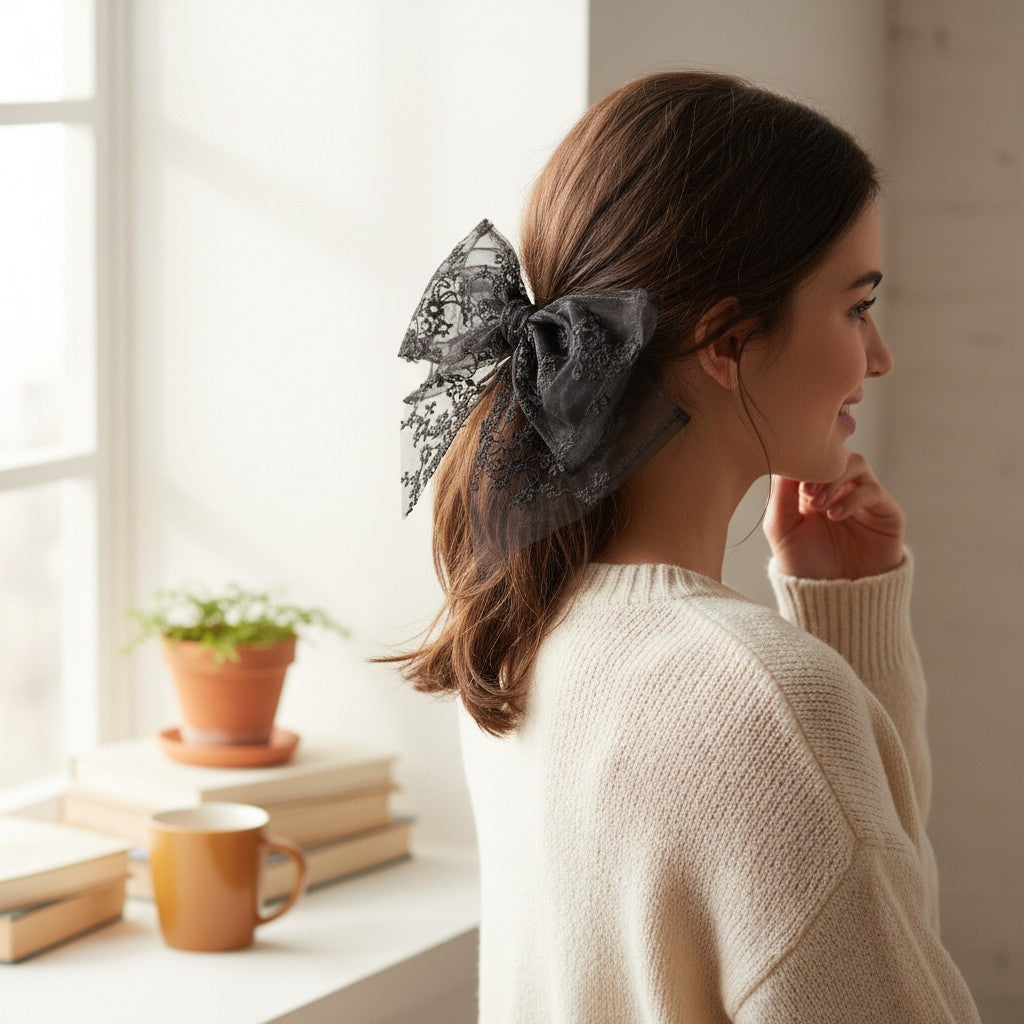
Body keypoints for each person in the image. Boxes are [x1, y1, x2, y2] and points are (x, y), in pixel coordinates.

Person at [390, 70, 983, 1023]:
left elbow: (870, 929)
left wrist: (851, 615)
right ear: (727, 343)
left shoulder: (517, 628)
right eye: (856, 307)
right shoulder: (765, 705)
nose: (878, 357)